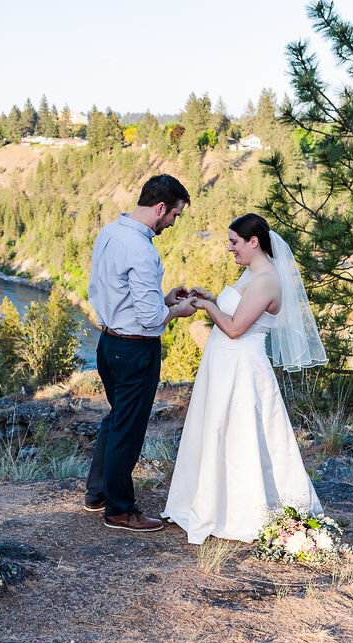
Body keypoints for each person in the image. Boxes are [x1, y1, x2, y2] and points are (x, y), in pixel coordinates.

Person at [162, 213, 328, 544]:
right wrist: (209, 298)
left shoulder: (267, 279)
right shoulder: (252, 273)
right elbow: (236, 313)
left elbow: (236, 328)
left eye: (235, 242)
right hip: (224, 365)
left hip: (241, 368)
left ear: (254, 242)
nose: (230, 249)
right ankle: (210, 501)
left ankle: (238, 511)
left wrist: (206, 308)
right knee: (217, 431)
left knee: (240, 434)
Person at [85, 174, 197, 532]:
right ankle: (120, 510)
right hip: (135, 349)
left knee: (116, 419)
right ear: (161, 208)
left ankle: (98, 492)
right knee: (128, 429)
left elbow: (113, 291)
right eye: (175, 216)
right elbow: (150, 319)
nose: (172, 223)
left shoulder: (110, 233)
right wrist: (177, 311)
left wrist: (164, 299)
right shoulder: (143, 249)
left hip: (108, 343)